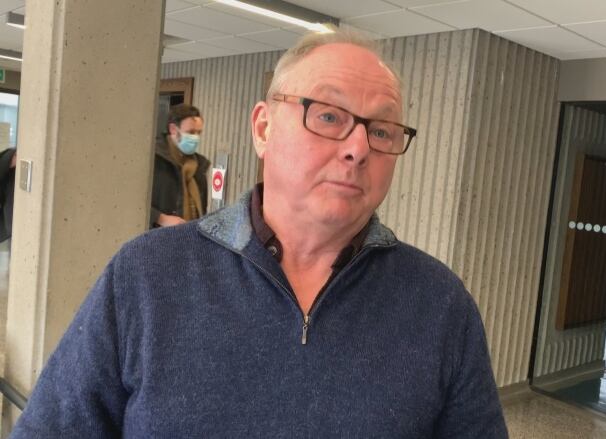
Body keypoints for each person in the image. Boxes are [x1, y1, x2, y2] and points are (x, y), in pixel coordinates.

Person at [11, 30, 508, 438]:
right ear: (264, 128)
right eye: (329, 116)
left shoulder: (439, 304)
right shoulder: (146, 275)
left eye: (381, 130)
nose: (359, 147)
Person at [150, 104, 210, 228]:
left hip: (190, 238)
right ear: (173, 129)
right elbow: (134, 201)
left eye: (199, 133)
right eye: (191, 132)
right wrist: (161, 218)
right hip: (158, 239)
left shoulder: (199, 167)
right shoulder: (154, 159)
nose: (195, 138)